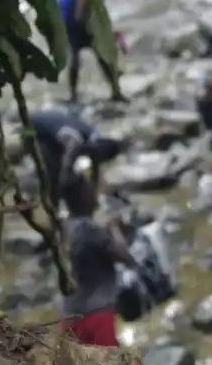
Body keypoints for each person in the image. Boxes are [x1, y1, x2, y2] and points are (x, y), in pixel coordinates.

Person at [59, 167, 135, 348]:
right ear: (83, 196)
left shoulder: (63, 230)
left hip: (70, 314)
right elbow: (125, 257)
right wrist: (114, 227)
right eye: (90, 189)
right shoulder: (90, 229)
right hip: (97, 314)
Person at [57, 0, 128, 103]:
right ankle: (112, 92)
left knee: (95, 55)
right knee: (89, 55)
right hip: (69, 19)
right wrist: (83, 21)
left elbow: (95, 6)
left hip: (73, 16)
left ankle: (113, 92)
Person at [32, 108, 122, 207]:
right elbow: (65, 168)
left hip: (59, 122)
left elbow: (95, 166)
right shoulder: (71, 140)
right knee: (54, 170)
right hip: (37, 125)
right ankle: (55, 204)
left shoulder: (94, 137)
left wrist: (94, 192)